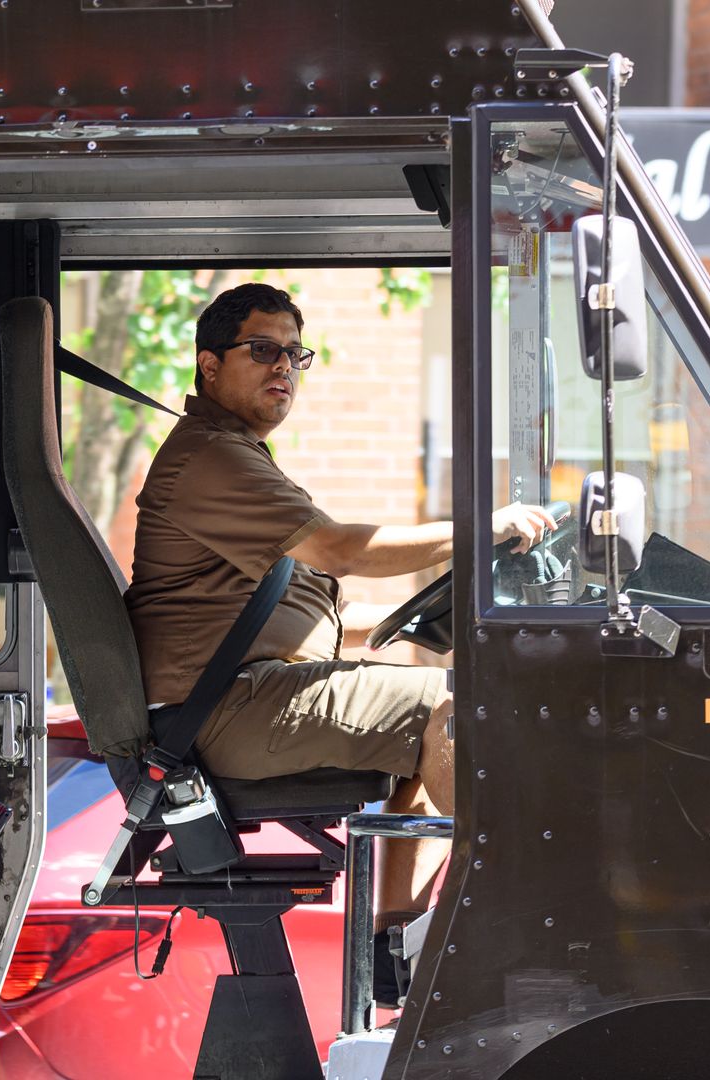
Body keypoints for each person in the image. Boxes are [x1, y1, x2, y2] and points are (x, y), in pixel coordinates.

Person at [123, 283, 553, 996]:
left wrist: (398, 623)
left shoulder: (236, 454)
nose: (283, 367)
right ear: (208, 365)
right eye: (262, 350)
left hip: (235, 700)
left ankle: (396, 951)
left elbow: (271, 611)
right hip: (223, 712)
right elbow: (343, 549)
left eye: (295, 354)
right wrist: (485, 526)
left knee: (415, 734)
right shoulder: (211, 459)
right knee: (453, 707)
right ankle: (515, 914)